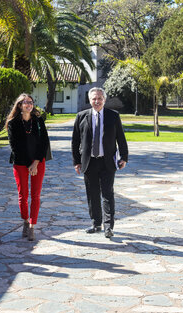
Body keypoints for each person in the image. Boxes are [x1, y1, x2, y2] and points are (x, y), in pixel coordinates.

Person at [72, 87, 128, 239]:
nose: (97, 101)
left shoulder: (113, 116)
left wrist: (124, 157)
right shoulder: (81, 116)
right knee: (92, 194)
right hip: (89, 162)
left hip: (107, 162)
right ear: (89, 100)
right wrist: (76, 162)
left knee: (108, 194)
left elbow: (121, 138)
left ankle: (109, 227)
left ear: (104, 99)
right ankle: (96, 223)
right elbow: (75, 141)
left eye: (99, 98)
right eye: (94, 99)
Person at [6, 94, 51, 241]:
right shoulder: (13, 123)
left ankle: (32, 225)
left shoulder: (38, 121)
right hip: (20, 164)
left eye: (30, 102)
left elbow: (44, 142)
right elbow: (15, 147)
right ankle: (25, 219)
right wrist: (29, 165)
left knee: (35, 195)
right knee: (23, 195)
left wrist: (36, 162)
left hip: (38, 162)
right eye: (25, 103)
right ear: (19, 105)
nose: (29, 105)